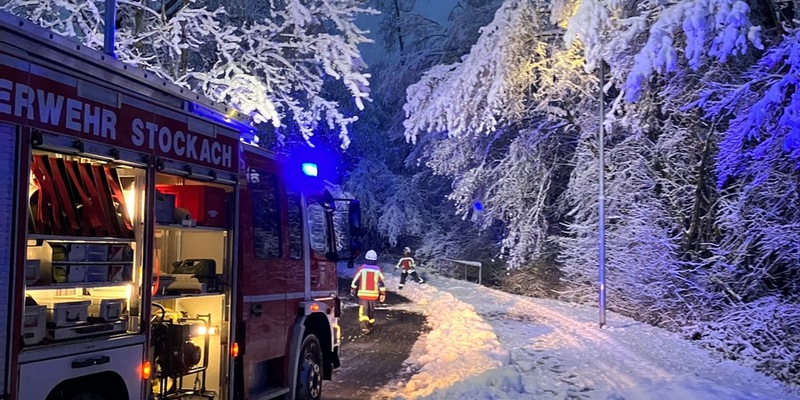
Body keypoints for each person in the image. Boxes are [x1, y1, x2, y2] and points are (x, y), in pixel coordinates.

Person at [350, 250, 386, 334]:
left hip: (362, 295)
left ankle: (364, 328)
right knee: (371, 311)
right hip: (374, 295)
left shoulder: (361, 269)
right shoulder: (378, 270)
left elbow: (355, 281)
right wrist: (383, 294)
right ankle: (370, 325)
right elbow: (381, 283)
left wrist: (353, 289)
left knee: (363, 311)